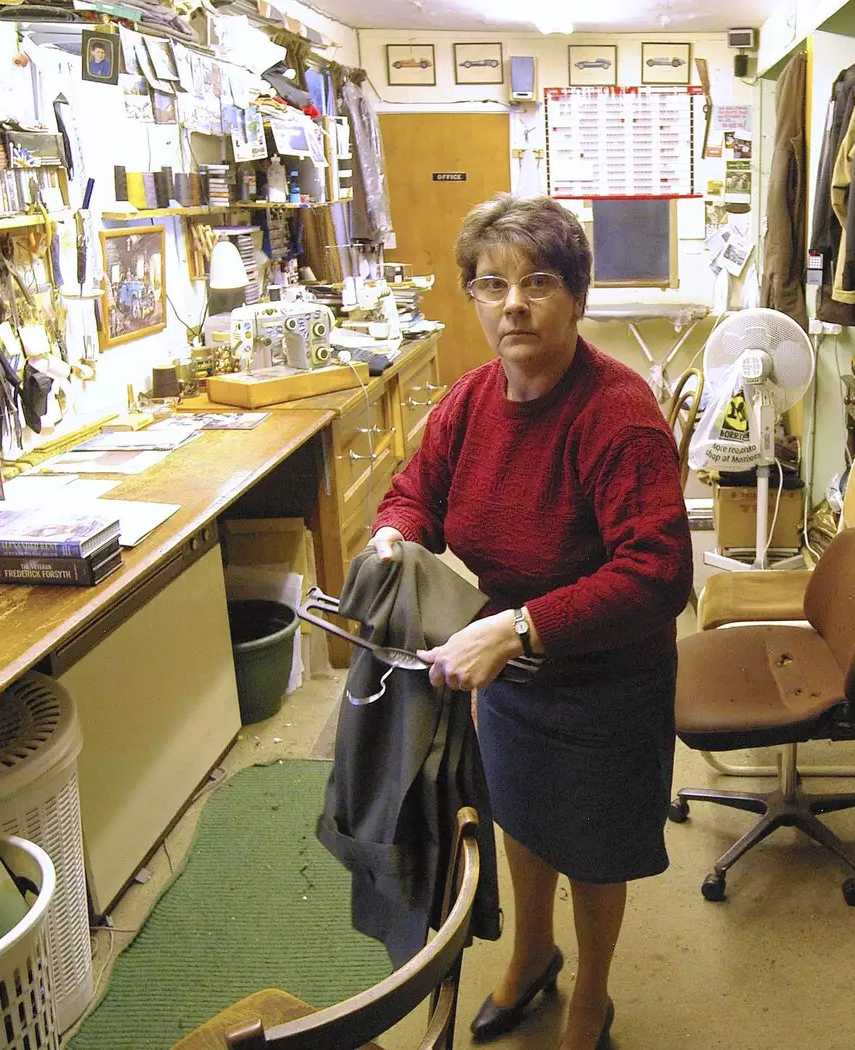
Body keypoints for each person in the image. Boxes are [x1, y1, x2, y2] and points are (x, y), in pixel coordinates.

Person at [370, 193, 691, 1050]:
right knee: (521, 814)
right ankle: (533, 953)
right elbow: (416, 488)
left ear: (576, 297)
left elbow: (659, 573)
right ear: (473, 298)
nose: (513, 302)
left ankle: (592, 989)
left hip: (605, 680)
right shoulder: (472, 401)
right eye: (491, 283)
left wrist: (518, 629)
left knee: (592, 847)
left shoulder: (617, 416)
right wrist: (395, 533)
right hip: (510, 672)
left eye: (538, 281)